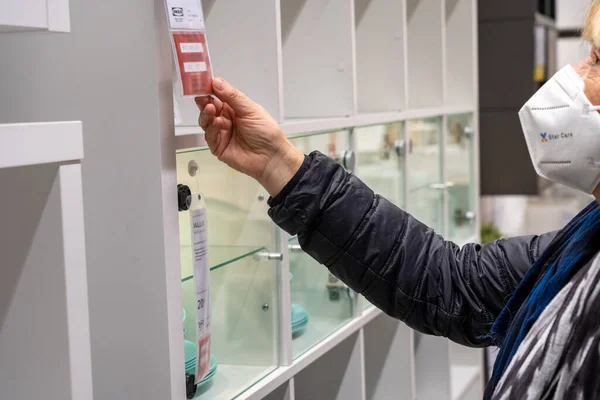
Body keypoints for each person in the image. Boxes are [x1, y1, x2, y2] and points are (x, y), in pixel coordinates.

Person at [194, 2, 600, 398]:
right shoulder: (586, 242)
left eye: (597, 60)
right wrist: (281, 164)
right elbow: (454, 283)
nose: (574, 74)